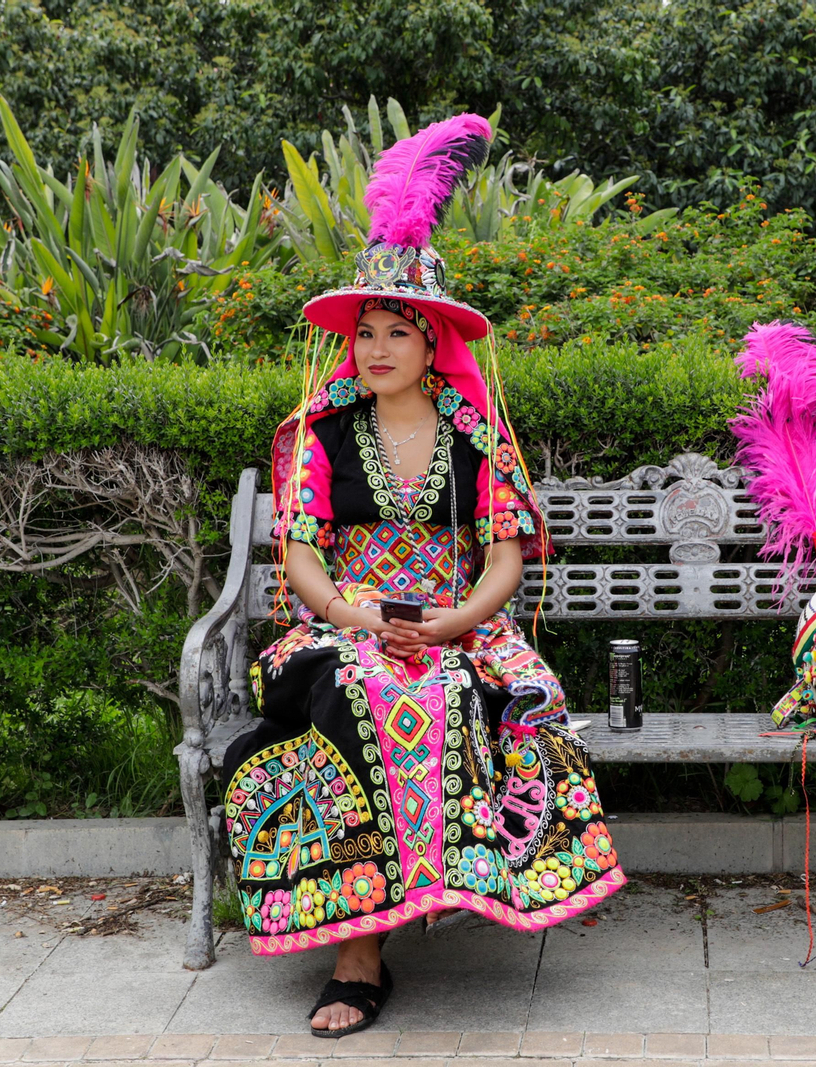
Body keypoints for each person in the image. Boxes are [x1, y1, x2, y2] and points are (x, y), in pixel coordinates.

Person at [220, 115, 623, 1039]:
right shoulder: (316, 436)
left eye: (396, 331)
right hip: (337, 624)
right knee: (362, 682)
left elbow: (508, 561)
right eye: (366, 331)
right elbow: (301, 555)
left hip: (457, 623)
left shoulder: (476, 440)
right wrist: (355, 615)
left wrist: (450, 624)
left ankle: (402, 905)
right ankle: (360, 953)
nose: (376, 348)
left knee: (441, 683)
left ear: (432, 342)